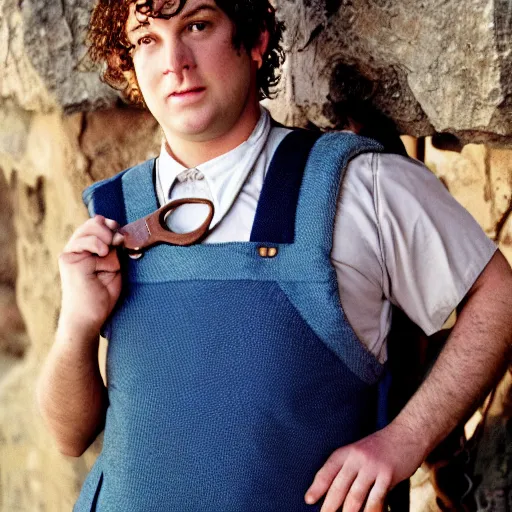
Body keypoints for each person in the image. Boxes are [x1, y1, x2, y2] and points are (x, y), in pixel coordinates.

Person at [36, 0, 512, 510]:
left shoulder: (359, 186)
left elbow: (499, 295)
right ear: (128, 62)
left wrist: (403, 441)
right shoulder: (115, 213)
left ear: (256, 39)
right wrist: (77, 327)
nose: (175, 61)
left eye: (197, 26)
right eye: (147, 39)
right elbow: (70, 438)